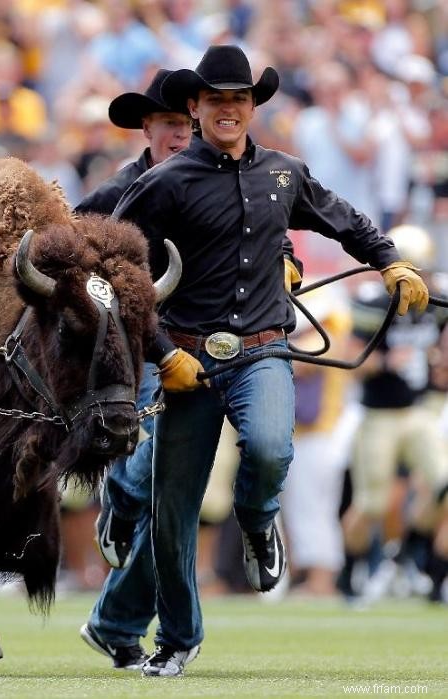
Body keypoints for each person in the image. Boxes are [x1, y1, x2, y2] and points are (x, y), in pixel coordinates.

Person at [110, 45, 429, 677]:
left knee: (270, 450)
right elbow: (118, 278)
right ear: (195, 108)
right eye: (217, 100)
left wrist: (390, 258)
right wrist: (161, 353)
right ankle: (177, 640)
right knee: (173, 511)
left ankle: (259, 522)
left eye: (239, 99)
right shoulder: (161, 185)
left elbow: (343, 218)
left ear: (252, 107)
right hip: (187, 363)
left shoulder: (285, 173)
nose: (229, 110)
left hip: (262, 352)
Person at [74, 68, 191, 671]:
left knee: (176, 494)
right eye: (171, 124)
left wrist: (283, 262)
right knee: (156, 481)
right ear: (146, 128)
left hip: (221, 348)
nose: (180, 135)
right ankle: (120, 496)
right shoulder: (115, 195)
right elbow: (65, 249)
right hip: (146, 353)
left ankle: (117, 622)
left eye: (188, 125)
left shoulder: (224, 178)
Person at [339, 224, 448, 603]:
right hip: (379, 414)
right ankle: (350, 571)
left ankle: (405, 555)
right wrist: (387, 361)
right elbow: (352, 359)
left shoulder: (437, 300)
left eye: (424, 271)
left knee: (444, 482)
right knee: (372, 503)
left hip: (417, 411)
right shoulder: (373, 301)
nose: (421, 280)